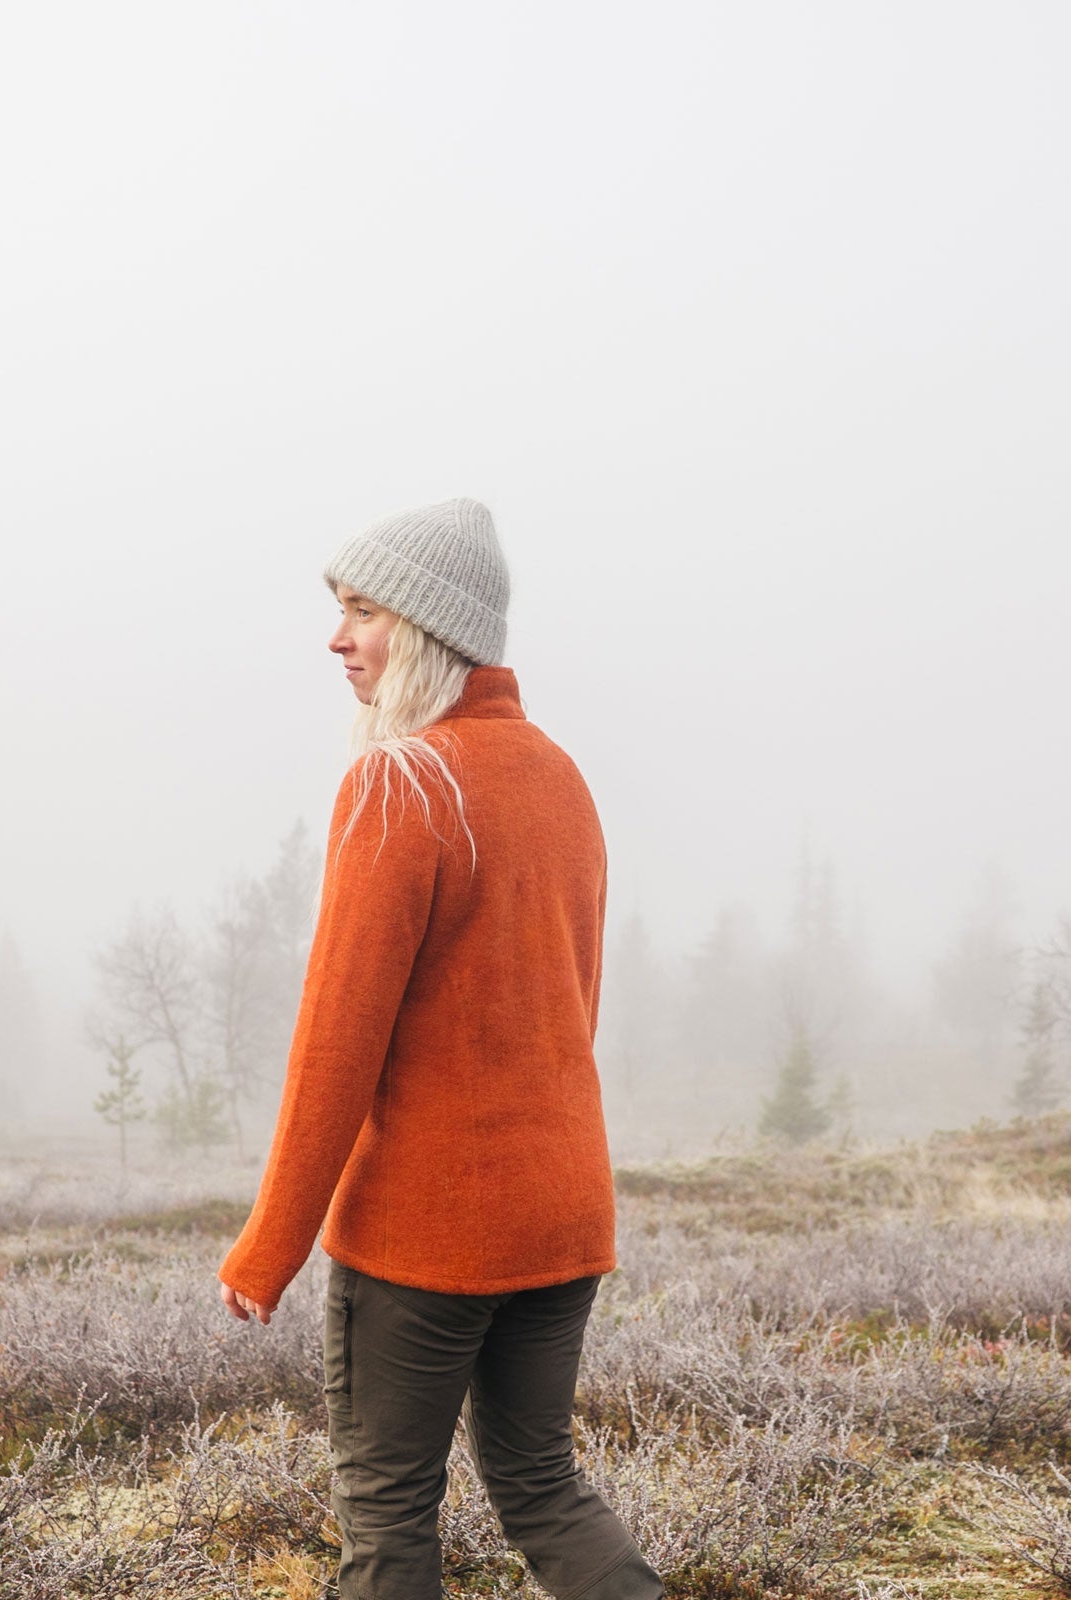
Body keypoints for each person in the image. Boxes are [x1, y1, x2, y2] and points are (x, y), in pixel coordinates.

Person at [217, 497, 661, 1600]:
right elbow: (573, 1013)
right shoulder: (561, 778)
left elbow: (336, 1047)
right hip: (561, 1217)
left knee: (387, 1519)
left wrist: (269, 1244)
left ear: (424, 627)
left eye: (360, 611)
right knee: (540, 1484)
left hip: (426, 1238)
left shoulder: (397, 784)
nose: (335, 637)